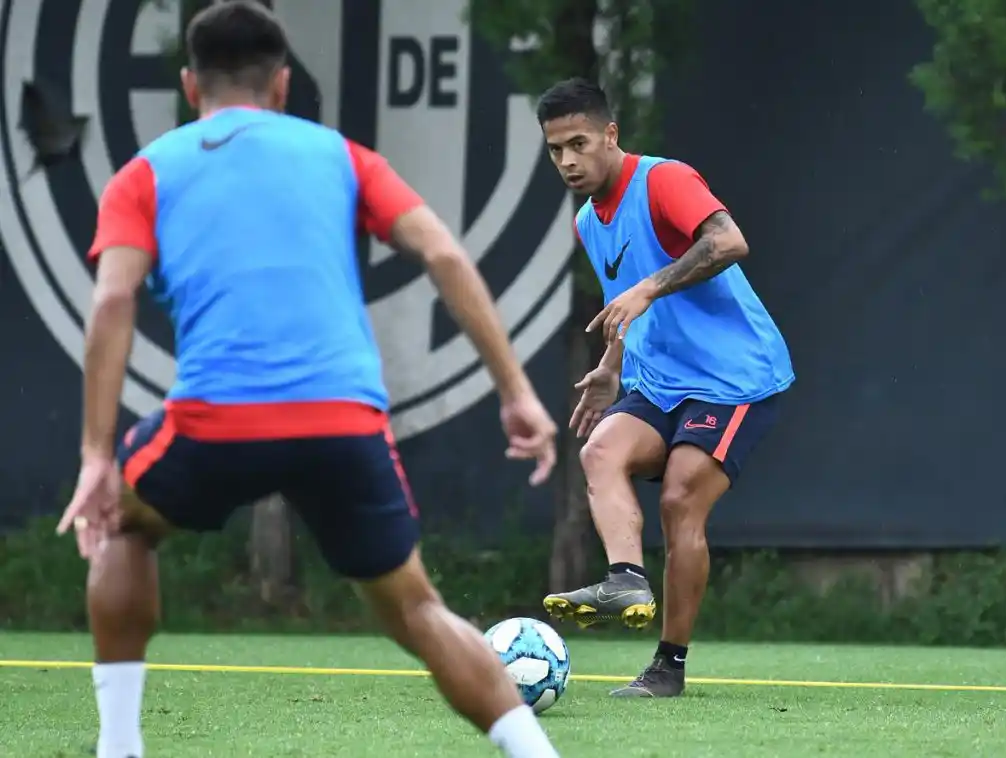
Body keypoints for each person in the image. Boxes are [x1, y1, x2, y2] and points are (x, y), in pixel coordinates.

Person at [56, 3, 561, 757]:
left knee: (124, 523)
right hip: (344, 425)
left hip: (213, 423)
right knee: (417, 608)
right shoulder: (343, 156)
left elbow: (114, 299)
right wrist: (517, 393)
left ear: (192, 87)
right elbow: (447, 257)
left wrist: (98, 456)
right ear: (283, 84)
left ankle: (120, 747)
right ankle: (534, 752)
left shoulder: (145, 173)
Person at [536, 78, 795, 698]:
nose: (568, 160)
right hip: (661, 379)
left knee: (680, 497)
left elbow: (729, 241)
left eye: (579, 143)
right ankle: (626, 578)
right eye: (555, 149)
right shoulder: (587, 222)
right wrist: (611, 365)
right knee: (600, 449)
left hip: (734, 377)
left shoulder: (663, 180)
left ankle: (668, 667)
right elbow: (624, 302)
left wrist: (651, 287)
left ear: (611, 135)